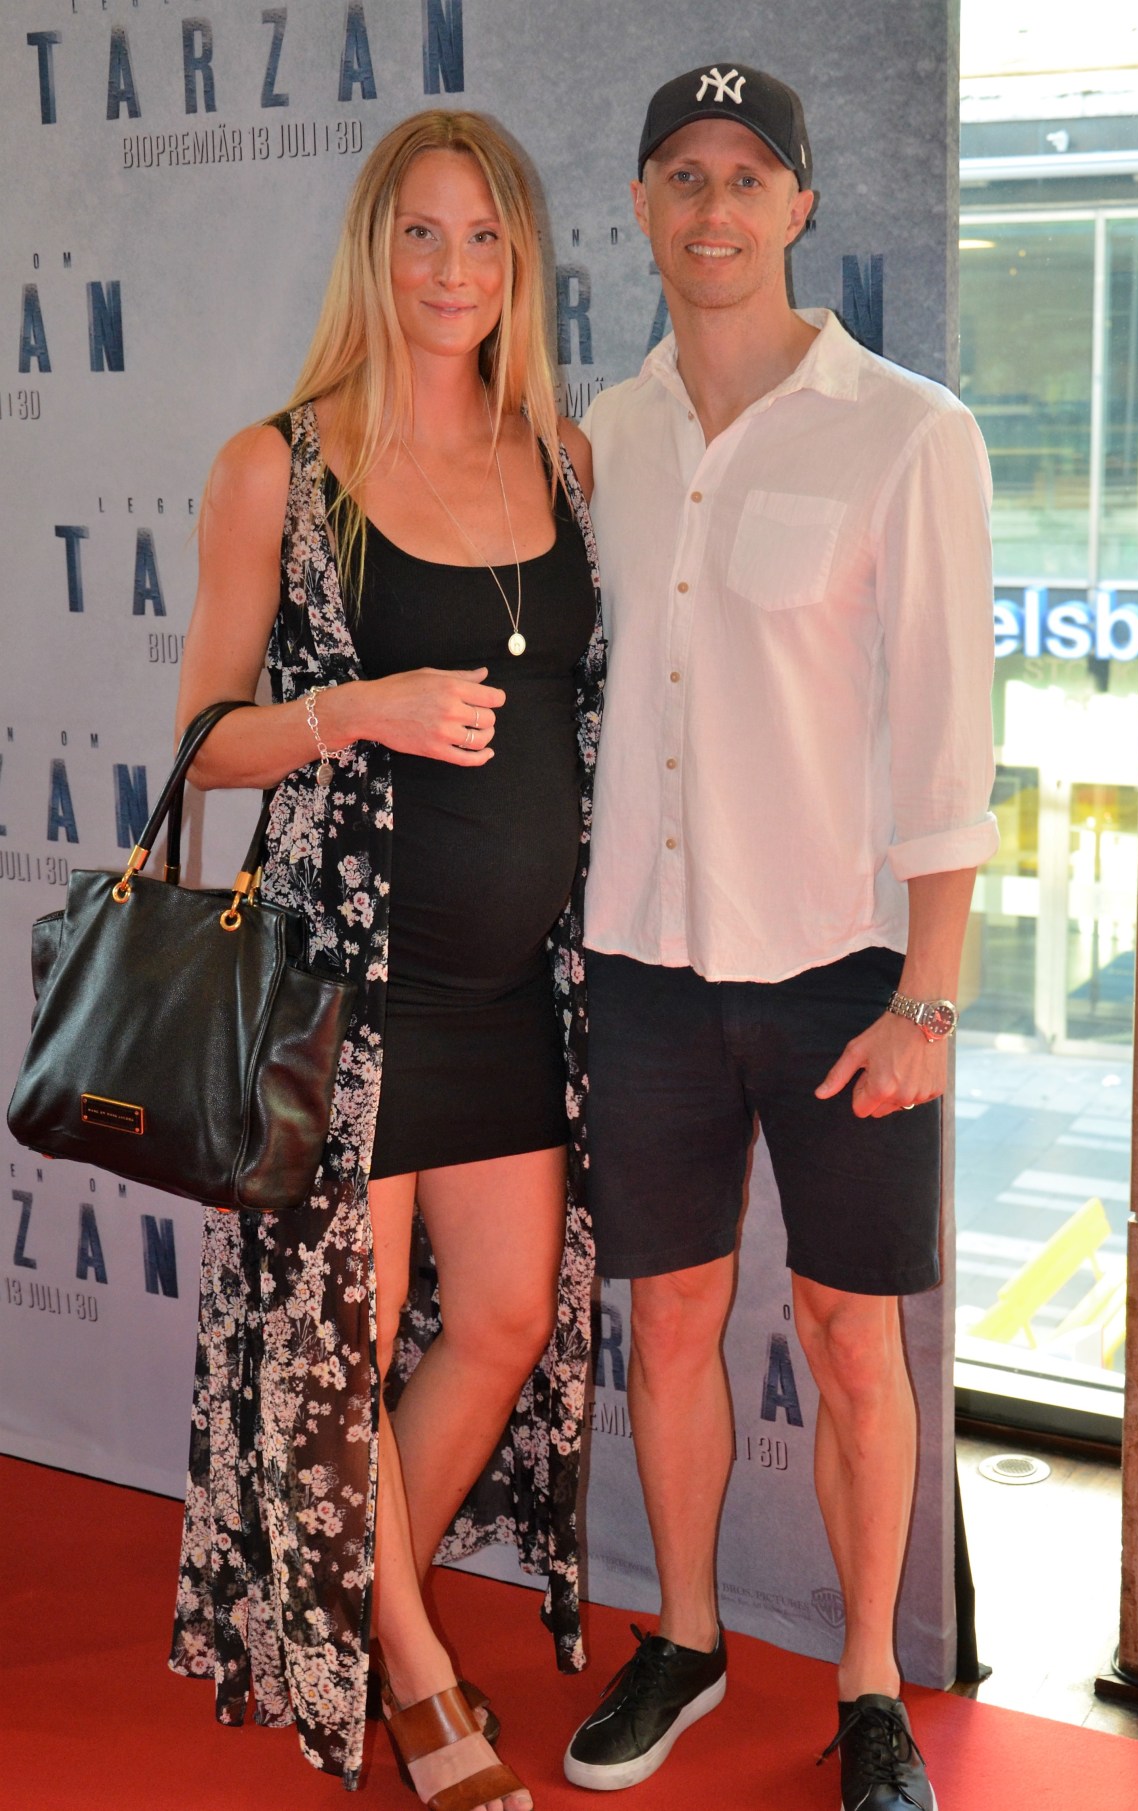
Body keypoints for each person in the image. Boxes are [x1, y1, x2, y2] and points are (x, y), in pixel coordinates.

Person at [563, 63, 998, 1810]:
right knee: (669, 1323)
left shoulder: (909, 431)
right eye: (683, 175)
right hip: (646, 965)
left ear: (802, 205)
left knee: (847, 1338)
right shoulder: (604, 433)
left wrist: (929, 999)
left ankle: (872, 1686)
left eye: (749, 177)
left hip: (843, 974)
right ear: (643, 207)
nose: (715, 208)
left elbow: (949, 741)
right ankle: (685, 1638)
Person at [167, 110, 604, 1811]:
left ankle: (346, 1605)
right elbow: (204, 743)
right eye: (421, 232)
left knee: (501, 1320)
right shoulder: (277, 467)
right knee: (336, 1349)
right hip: (348, 993)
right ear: (373, 249)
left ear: (520, 262)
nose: (451, 268)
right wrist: (357, 708)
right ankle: (414, 1681)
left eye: (483, 237)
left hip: (512, 994)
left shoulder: (558, 457)